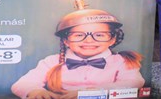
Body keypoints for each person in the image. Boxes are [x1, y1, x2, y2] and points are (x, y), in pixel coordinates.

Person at [11, 9, 144, 98]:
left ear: (112, 39)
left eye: (99, 35)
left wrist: (89, 93)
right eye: (79, 35)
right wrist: (35, 91)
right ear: (66, 40)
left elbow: (133, 83)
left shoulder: (122, 61)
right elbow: (21, 84)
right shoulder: (51, 61)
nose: (89, 40)